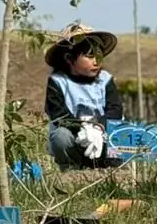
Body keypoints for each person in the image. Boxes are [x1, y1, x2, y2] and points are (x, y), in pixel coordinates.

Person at [43, 23, 121, 170]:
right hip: (74, 138)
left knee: (120, 132)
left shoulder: (105, 80)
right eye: (90, 56)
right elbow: (59, 115)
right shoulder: (58, 82)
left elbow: (115, 110)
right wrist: (83, 129)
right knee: (61, 137)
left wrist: (98, 128)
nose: (96, 62)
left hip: (101, 138)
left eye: (99, 56)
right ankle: (71, 168)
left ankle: (110, 168)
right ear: (69, 58)